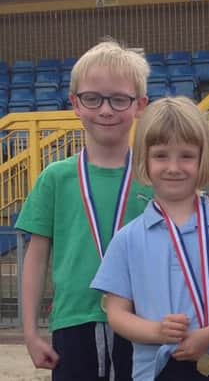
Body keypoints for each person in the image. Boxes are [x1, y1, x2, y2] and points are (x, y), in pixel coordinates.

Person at [91, 97, 209, 380]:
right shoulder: (127, 239)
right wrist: (156, 332)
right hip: (153, 369)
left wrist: (206, 337)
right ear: (144, 161)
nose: (173, 167)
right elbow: (116, 313)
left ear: (202, 160)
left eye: (186, 155)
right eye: (161, 155)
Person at [15, 40, 152, 380]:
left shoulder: (154, 179)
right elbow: (35, 257)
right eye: (93, 98)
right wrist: (30, 333)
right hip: (73, 321)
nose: (106, 110)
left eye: (119, 99)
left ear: (140, 105)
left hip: (144, 320)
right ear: (75, 103)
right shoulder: (55, 178)